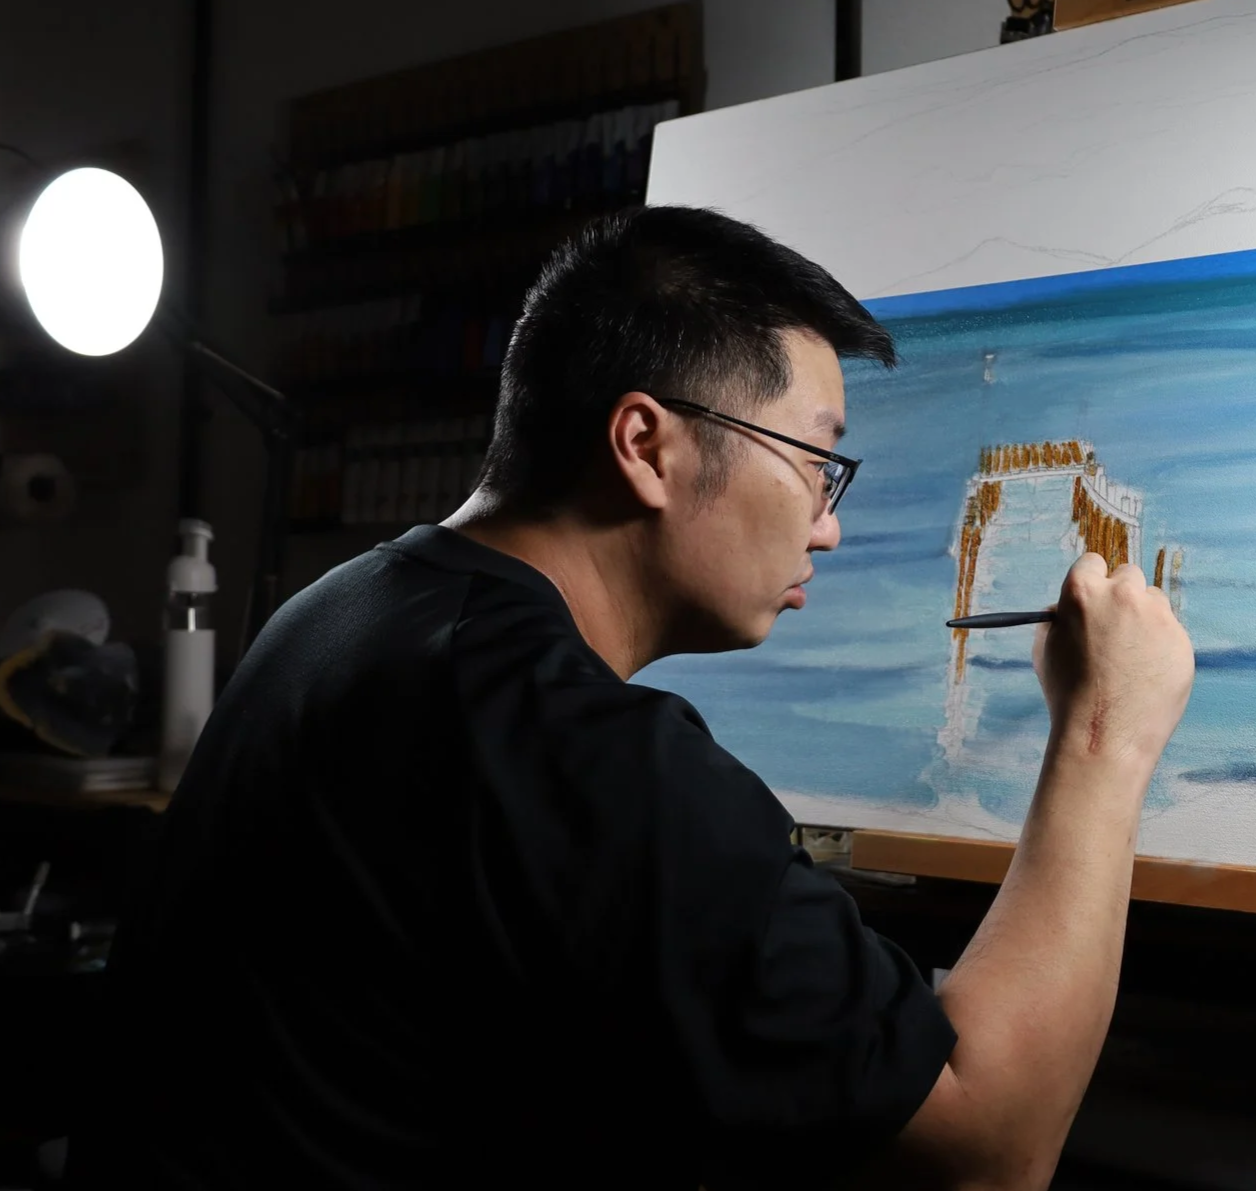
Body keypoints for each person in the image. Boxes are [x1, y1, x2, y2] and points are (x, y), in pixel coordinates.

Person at [74, 207, 1194, 1190]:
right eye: (815, 462)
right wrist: (1106, 733)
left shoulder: (342, 613)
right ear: (646, 445)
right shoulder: (581, 749)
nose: (829, 522)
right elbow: (990, 1152)